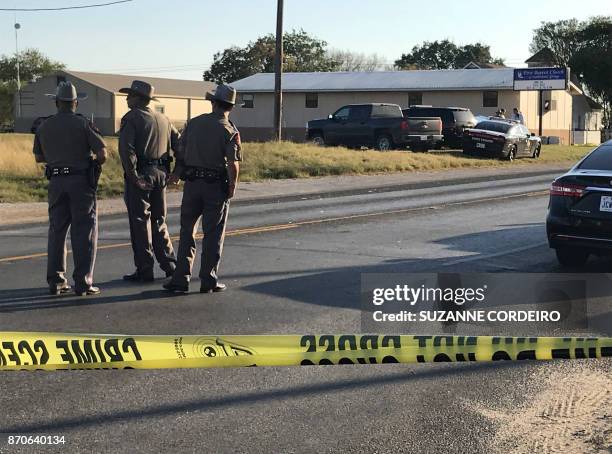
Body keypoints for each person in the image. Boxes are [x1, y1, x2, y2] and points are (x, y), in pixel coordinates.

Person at [163, 84, 241, 293]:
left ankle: (180, 279)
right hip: (215, 186)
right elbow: (233, 163)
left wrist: (177, 174)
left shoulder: (194, 123)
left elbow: (181, 152)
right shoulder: (229, 130)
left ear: (213, 102)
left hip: (192, 185)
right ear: (230, 107)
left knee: (187, 232)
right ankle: (208, 279)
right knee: (213, 234)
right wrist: (232, 186)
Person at [33, 82, 107, 296]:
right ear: (75, 103)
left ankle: (56, 281)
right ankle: (83, 283)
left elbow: (39, 157)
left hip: (56, 182)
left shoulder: (44, 126)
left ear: (56, 103)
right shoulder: (83, 124)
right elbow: (102, 153)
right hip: (80, 182)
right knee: (84, 232)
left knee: (57, 231)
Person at [118, 80, 179, 282]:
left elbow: (127, 151)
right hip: (161, 173)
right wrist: (177, 171)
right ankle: (170, 265)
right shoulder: (164, 119)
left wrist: (133, 176)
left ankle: (145, 268)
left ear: (138, 99)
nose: (127, 98)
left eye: (130, 95)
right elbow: (180, 146)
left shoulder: (131, 118)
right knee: (159, 220)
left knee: (140, 223)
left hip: (142, 175)